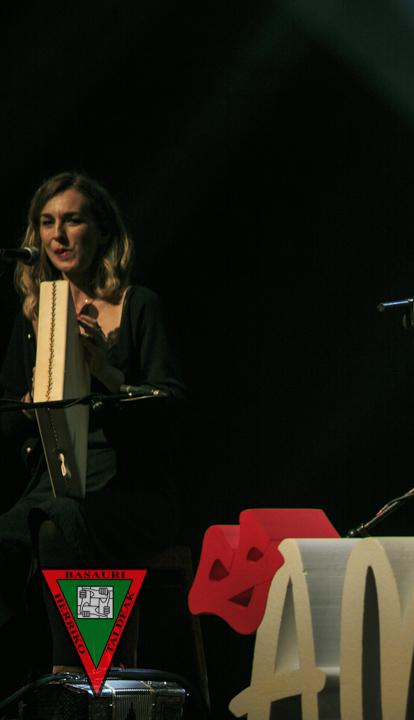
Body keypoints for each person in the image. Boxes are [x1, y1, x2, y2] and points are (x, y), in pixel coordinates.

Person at [0, 172, 187, 677]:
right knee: (17, 533)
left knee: (59, 526)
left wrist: (105, 371)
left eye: (73, 220)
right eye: (47, 223)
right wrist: (31, 400)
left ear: (102, 231)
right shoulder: (33, 316)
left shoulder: (138, 305)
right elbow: (7, 424)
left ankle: (78, 676)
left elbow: (169, 409)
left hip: (131, 489)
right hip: (56, 485)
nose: (58, 235)